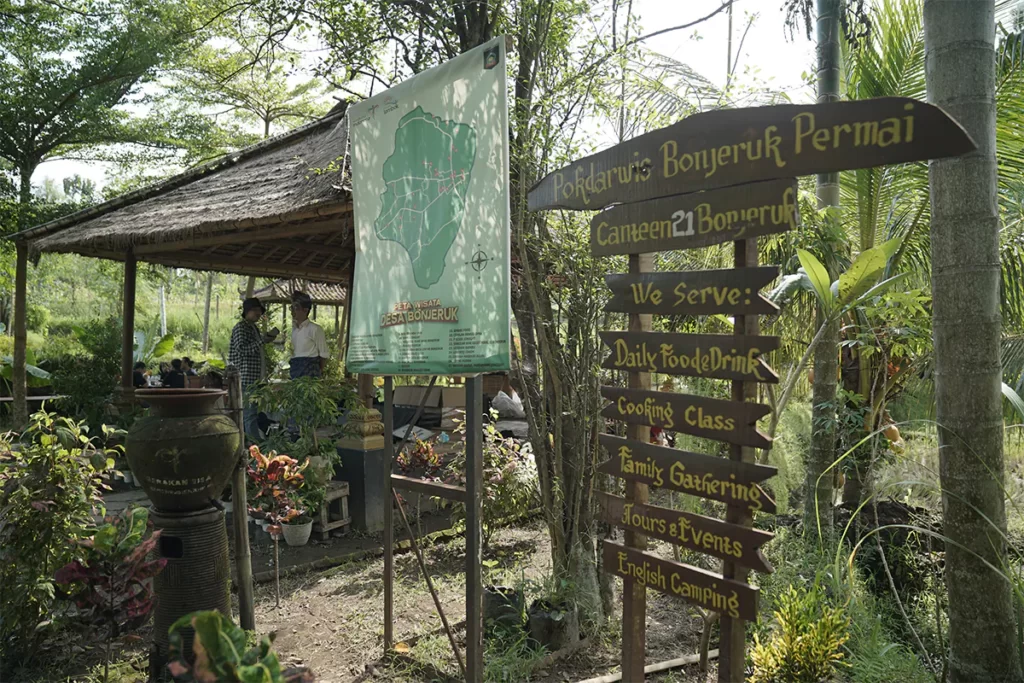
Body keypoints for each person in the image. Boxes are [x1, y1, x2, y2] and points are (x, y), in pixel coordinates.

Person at [229, 297, 279, 441]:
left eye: (259, 311)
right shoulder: (241, 327)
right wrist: (262, 340)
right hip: (246, 378)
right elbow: (241, 349)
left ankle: (253, 444)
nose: (258, 314)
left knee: (253, 413)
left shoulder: (252, 327)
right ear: (248, 311)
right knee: (249, 414)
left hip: (255, 378)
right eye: (256, 311)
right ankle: (255, 446)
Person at [289, 291, 328, 378]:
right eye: (291, 308)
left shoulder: (315, 329)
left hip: (311, 371)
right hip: (295, 370)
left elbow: (324, 355)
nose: (292, 311)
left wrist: (316, 371)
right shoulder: (294, 329)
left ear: (305, 310)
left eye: (296, 308)